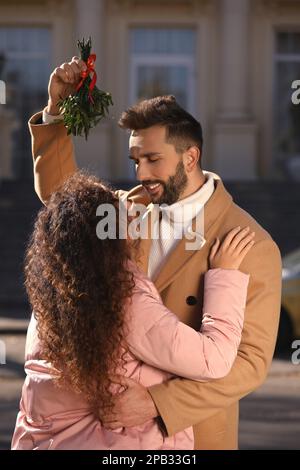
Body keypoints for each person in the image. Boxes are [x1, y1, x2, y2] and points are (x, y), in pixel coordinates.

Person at [27, 57, 282, 450]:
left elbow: (248, 364)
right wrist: (57, 111)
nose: (140, 174)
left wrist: (155, 403)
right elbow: (64, 204)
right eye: (135, 161)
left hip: (190, 434)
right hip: (107, 432)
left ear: (190, 157)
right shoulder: (125, 210)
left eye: (152, 160)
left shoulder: (248, 241)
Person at [12, 172, 253, 450]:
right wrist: (224, 274)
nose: (133, 219)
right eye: (122, 216)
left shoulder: (49, 301)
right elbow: (214, 359)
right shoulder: (123, 299)